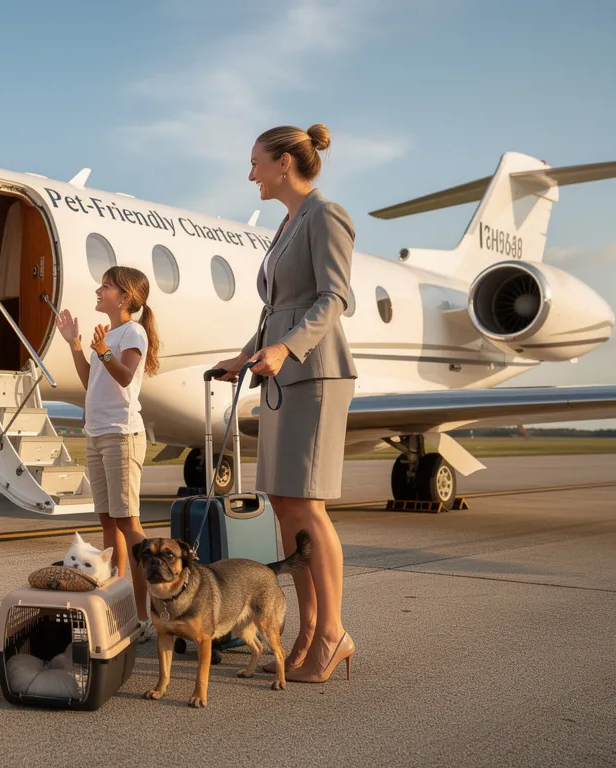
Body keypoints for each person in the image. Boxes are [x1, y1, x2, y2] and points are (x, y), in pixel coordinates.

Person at [213, 124, 358, 683]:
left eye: (255, 163)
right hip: (281, 374)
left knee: (309, 507)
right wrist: (244, 355)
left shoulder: (326, 214)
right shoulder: (286, 223)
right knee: (285, 504)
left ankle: (334, 632)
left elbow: (333, 298)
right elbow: (278, 310)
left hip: (315, 374)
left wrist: (285, 348)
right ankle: (308, 629)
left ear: (283, 163)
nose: (249, 174)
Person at [56, 266, 161, 643]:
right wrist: (75, 345)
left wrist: (102, 351)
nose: (99, 290)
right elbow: (91, 382)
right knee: (107, 523)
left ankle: (144, 613)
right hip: (97, 433)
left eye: (107, 286)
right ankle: (118, 600)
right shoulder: (108, 335)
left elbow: (125, 376)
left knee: (129, 523)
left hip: (121, 434)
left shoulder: (132, 331)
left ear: (126, 297)